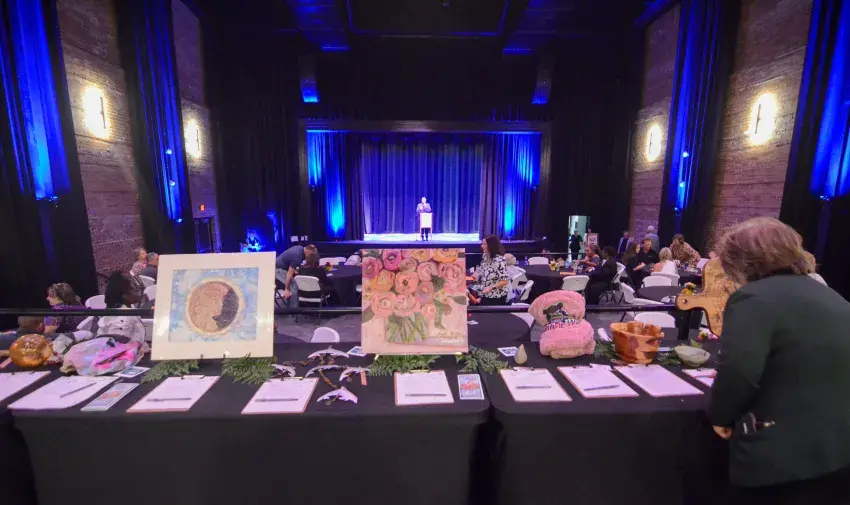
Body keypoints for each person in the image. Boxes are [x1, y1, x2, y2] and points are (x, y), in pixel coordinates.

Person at [709, 217, 850, 505]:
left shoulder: (753, 298)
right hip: (836, 453)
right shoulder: (833, 297)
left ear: (742, 260)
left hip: (781, 461)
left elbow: (739, 371)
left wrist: (720, 416)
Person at [97, 271, 146, 343]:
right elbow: (117, 346)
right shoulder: (122, 321)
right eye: (134, 290)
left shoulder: (127, 308)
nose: (138, 292)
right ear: (124, 296)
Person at [469, 235, 510, 305]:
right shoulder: (485, 256)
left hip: (495, 297)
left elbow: (505, 281)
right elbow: (482, 269)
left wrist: (491, 288)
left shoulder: (499, 261)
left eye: (484, 244)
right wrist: (477, 274)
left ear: (491, 246)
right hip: (484, 294)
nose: (482, 246)